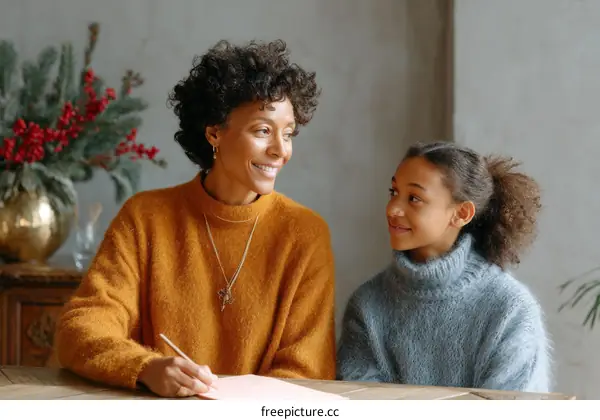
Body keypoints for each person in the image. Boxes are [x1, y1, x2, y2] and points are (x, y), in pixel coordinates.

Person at [54, 39, 336, 398]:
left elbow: (306, 371)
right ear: (214, 132)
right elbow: (81, 328)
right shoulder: (144, 218)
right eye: (263, 130)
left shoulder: (306, 233)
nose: (281, 150)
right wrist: (146, 368)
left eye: (289, 133)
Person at [336, 141, 552, 393]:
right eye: (393, 192)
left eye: (414, 198)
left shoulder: (510, 308)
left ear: (461, 213)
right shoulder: (367, 304)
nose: (393, 209)